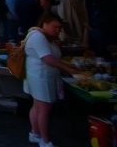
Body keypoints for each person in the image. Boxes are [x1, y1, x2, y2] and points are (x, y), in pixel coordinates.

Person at [24, 14, 81, 147]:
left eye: (59, 28)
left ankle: (35, 133)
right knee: (44, 109)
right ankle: (45, 141)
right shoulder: (38, 37)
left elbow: (51, 57)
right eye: (55, 27)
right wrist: (69, 69)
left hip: (38, 75)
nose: (57, 30)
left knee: (38, 106)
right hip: (41, 77)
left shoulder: (43, 36)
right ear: (45, 23)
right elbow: (47, 59)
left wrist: (68, 66)